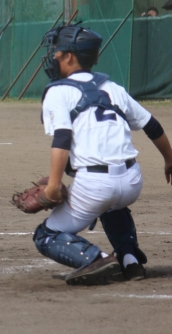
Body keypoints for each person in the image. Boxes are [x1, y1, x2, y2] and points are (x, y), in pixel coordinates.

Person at [34, 24, 172, 285]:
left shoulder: (58, 91)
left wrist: (53, 186)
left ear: (70, 57)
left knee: (45, 235)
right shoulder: (112, 87)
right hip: (132, 181)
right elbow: (152, 126)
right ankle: (130, 260)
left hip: (95, 185)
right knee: (111, 205)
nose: (53, 56)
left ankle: (96, 258)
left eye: (57, 51)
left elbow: (62, 139)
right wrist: (169, 160)